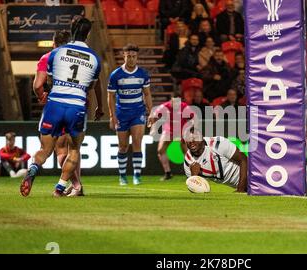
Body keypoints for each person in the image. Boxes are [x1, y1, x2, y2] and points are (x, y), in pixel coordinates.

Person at [20, 16, 101, 197]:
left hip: (55, 104)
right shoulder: (95, 59)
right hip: (77, 106)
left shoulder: (56, 53)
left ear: (72, 31)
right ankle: (60, 188)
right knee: (74, 150)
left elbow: (47, 80)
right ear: (88, 34)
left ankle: (33, 168)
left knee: (45, 149)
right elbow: (91, 86)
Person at [108, 43, 153, 186]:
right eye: (129, 56)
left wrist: (150, 112)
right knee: (122, 146)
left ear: (137, 57)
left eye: (134, 56)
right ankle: (122, 176)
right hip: (121, 114)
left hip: (138, 112)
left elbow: (147, 94)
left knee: (137, 144)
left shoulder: (143, 74)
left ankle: (137, 175)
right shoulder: (116, 75)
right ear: (124, 56)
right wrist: (112, 115)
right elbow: (110, 97)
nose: (131, 59)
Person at [183, 129, 248, 192]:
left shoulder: (218, 143)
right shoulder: (188, 161)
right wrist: (194, 175)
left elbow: (244, 160)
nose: (191, 141)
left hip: (253, 177)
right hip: (242, 186)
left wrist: (240, 189)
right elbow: (193, 188)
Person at [148, 97, 194, 181]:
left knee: (186, 151)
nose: (177, 105)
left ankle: (192, 173)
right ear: (170, 102)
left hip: (182, 130)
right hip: (169, 131)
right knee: (161, 150)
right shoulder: (164, 107)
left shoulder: (184, 106)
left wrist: (191, 129)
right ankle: (168, 173)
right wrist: (153, 129)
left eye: (178, 102)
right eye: (175, 102)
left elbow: (194, 118)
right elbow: (154, 117)